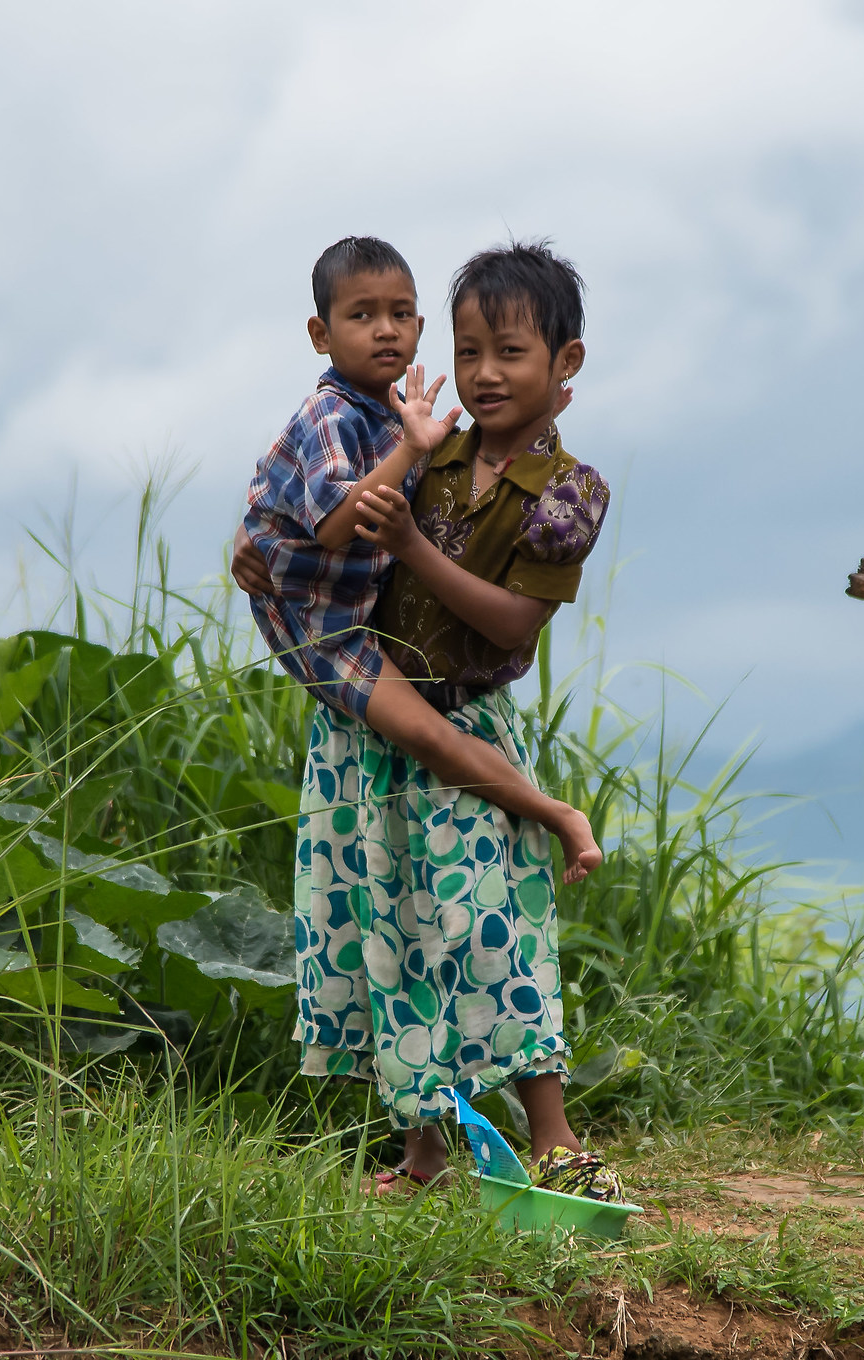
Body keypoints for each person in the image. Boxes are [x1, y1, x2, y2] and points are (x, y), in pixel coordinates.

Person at [234, 240, 617, 1201]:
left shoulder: (569, 494)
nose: (485, 374)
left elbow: (514, 624)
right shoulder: (428, 445)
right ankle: (425, 1158)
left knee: (502, 926)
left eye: (512, 354)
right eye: (470, 350)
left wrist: (407, 540)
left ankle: (555, 1136)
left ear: (565, 364)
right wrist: (254, 546)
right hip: (369, 733)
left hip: (470, 728)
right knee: (392, 934)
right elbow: (314, 502)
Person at [238, 234, 601, 881]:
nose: (386, 331)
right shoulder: (378, 427)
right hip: (334, 644)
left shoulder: (556, 486)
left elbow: (514, 620)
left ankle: (554, 813)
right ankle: (557, 814)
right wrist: (250, 536)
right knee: (426, 748)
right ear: (321, 334)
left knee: (441, 752)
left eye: (401, 315)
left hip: (417, 671)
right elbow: (323, 515)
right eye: (363, 316)